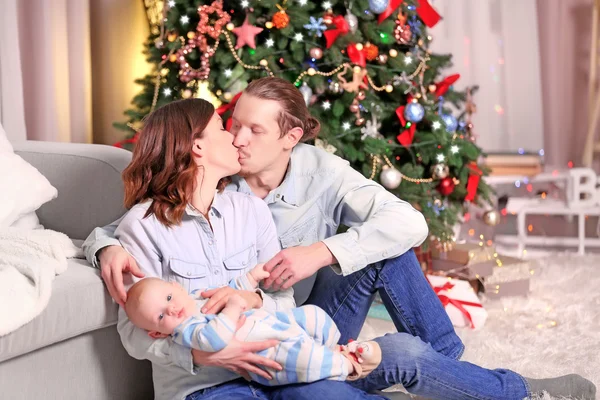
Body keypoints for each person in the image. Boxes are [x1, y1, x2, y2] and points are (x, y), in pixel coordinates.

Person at [84, 86, 596, 400]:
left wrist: (290, 274)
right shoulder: (150, 224)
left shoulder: (272, 196)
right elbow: (134, 308)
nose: (237, 138)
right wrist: (104, 245)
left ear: (290, 138)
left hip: (299, 341)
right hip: (219, 377)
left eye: (250, 130)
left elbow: (401, 226)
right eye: (229, 127)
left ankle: (465, 379)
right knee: (370, 366)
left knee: (394, 317)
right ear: (200, 147)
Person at [124, 269, 382, 386]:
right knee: (303, 359)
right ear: (158, 333)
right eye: (160, 316)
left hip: (272, 322)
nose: (170, 309)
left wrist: (249, 279)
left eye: (168, 299)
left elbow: (231, 290)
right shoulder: (185, 332)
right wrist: (234, 308)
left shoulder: (196, 296)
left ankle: (333, 346)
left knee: (313, 315)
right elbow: (214, 340)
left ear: (177, 289)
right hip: (266, 354)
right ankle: (344, 365)